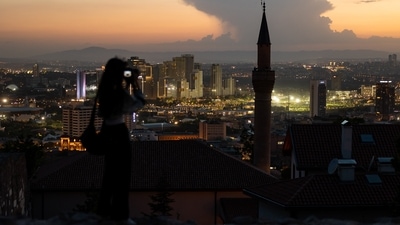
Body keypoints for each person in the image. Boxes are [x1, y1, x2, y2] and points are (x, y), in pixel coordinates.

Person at [95, 57, 144, 224]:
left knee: (109, 173)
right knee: (122, 174)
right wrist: (135, 84)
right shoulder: (117, 93)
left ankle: (103, 210)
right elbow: (137, 104)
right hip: (118, 132)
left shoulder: (104, 89)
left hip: (106, 130)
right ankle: (120, 215)